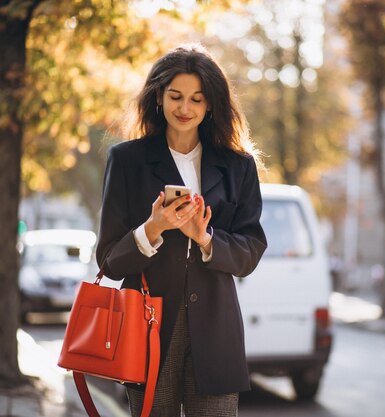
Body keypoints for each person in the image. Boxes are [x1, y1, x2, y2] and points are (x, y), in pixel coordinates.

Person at [96, 43, 268, 417]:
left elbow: (251, 250)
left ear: (211, 105)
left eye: (196, 99)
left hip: (217, 329)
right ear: (158, 96)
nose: (185, 109)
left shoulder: (239, 166)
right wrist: (152, 228)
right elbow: (109, 260)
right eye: (175, 96)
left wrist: (205, 238)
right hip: (148, 327)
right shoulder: (127, 160)